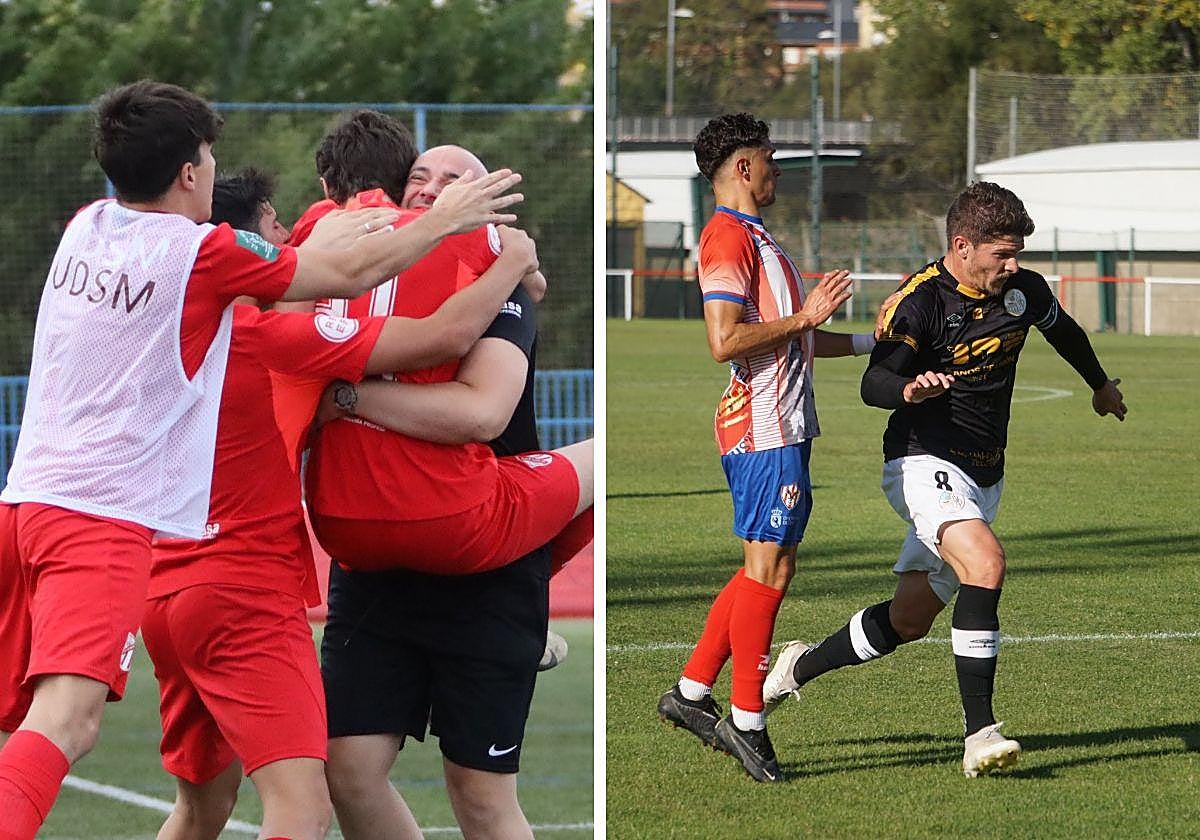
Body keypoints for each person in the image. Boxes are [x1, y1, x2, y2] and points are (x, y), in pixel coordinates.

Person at [0, 79, 521, 837]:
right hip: (131, 538)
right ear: (189, 172)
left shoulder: (88, 225)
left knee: (201, 803)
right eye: (208, 156)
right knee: (73, 726)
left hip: (32, 509)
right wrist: (450, 223)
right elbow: (349, 282)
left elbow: (298, 256)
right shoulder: (216, 268)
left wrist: (321, 229)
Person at [140, 171, 540, 840]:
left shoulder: (163, 337)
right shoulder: (279, 341)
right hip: (244, 591)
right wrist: (513, 263)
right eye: (277, 232)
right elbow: (445, 336)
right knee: (301, 807)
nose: (290, 241)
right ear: (245, 249)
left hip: (163, 592)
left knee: (200, 807)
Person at [763, 181, 1127, 778]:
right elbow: (873, 382)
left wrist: (1099, 383)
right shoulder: (919, 303)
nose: (1013, 266)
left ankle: (795, 669)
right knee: (984, 564)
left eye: (1017, 254)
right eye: (1001, 255)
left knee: (908, 621)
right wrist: (908, 387)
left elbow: (1064, 330)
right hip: (921, 460)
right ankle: (980, 734)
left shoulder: (1022, 291)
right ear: (962, 245)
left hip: (985, 474)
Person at [315, 144, 589, 840]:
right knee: (345, 770)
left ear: (484, 204)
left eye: (452, 180)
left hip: (483, 566)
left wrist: (346, 396)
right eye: (418, 178)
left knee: (478, 793)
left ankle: (535, 615)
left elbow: (481, 412)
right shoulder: (348, 273)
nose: (430, 190)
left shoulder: (497, 285)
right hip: (376, 571)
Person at [656, 112, 878, 784]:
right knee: (769, 571)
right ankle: (747, 719)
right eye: (771, 158)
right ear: (744, 168)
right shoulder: (727, 237)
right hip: (762, 427)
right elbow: (723, 341)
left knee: (768, 568)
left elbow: (797, 338)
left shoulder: (756, 236)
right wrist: (806, 316)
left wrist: (877, 342)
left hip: (783, 423)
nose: (778, 169)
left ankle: (693, 693)